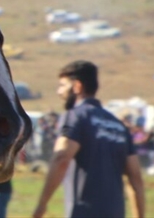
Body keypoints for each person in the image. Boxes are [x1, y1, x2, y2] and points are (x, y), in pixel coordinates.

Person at [32, 60, 145, 218]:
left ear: (77, 86)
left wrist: (42, 204)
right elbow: (135, 177)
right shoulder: (118, 125)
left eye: (62, 85)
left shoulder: (74, 117)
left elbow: (62, 157)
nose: (59, 92)